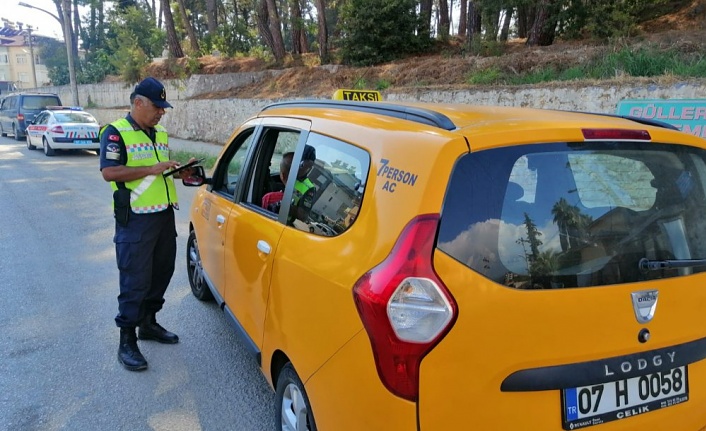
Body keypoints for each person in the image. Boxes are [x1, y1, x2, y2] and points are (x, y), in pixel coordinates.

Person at [99, 77, 194, 372]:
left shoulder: (160, 132)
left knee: (162, 272)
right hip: (136, 219)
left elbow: (158, 172)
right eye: (157, 106)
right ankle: (127, 338)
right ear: (138, 102)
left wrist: (177, 171)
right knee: (135, 279)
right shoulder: (116, 132)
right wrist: (151, 168)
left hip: (164, 214)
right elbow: (110, 172)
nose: (161, 112)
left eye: (163, 108)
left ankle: (148, 323)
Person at [262, 146, 317, 221]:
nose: (306, 169)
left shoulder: (310, 187)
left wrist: (282, 205)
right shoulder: (290, 175)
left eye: (310, 166)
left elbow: (303, 215)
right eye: (303, 165)